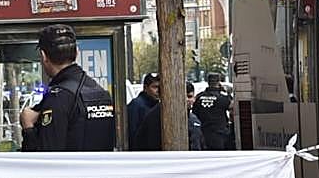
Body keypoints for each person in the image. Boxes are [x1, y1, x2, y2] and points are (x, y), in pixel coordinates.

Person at [20, 24, 116, 152]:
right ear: (77, 52)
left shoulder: (58, 97)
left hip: (70, 172)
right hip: (101, 171)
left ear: (43, 56)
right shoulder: (101, 92)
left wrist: (28, 128)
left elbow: (44, 158)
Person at [135, 81, 204, 151]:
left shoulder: (194, 120)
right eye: (183, 97)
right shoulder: (157, 116)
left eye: (190, 97)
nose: (187, 100)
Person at [193, 73, 234, 150]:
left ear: (208, 82)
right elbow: (232, 106)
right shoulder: (223, 98)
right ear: (219, 82)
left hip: (203, 135)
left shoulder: (199, 97)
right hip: (219, 136)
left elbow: (194, 114)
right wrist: (227, 93)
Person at [127, 73, 159, 150]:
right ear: (145, 88)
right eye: (155, 87)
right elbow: (133, 134)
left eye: (160, 87)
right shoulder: (136, 106)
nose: (158, 91)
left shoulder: (158, 105)